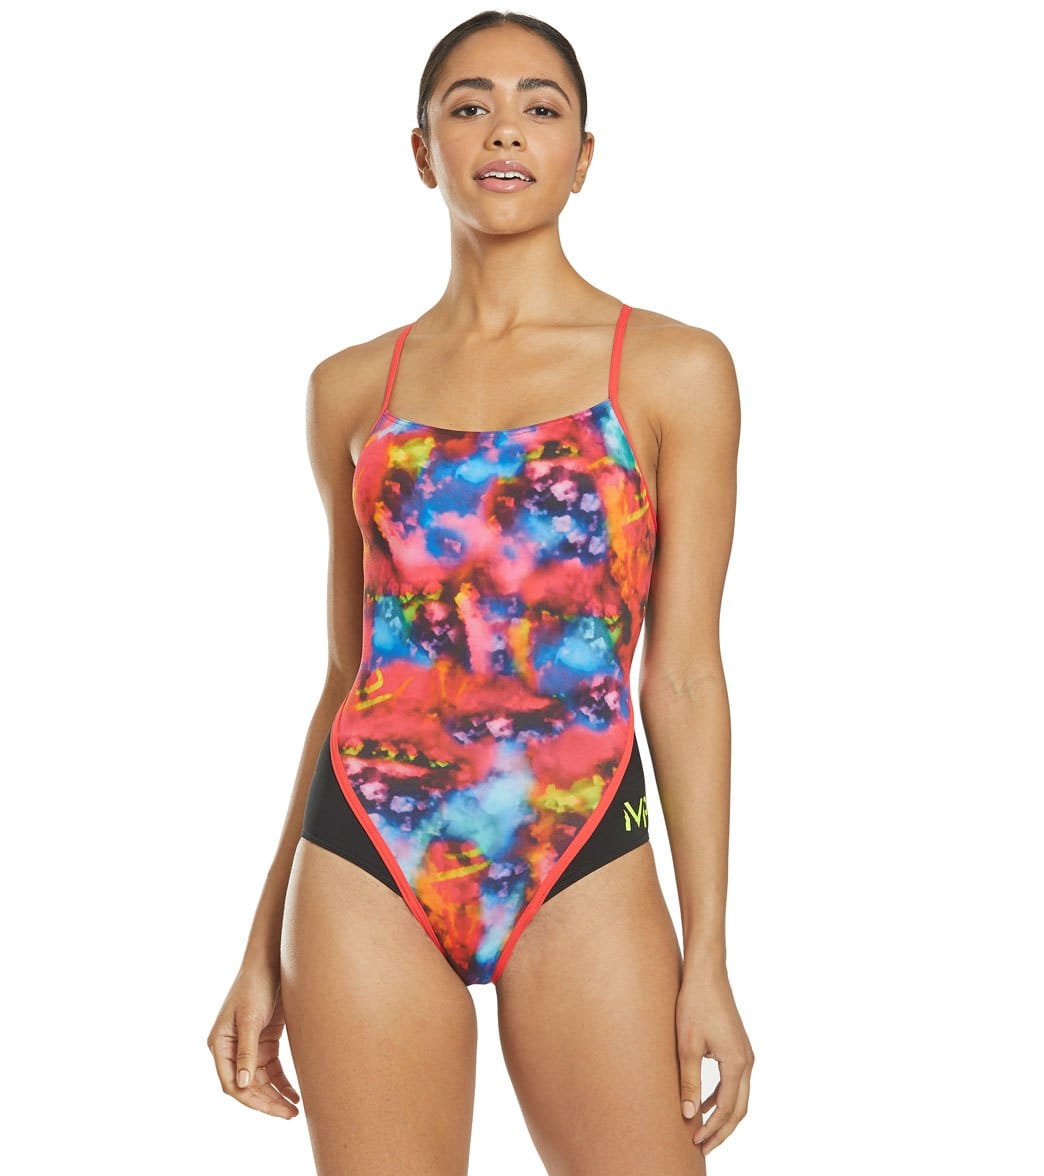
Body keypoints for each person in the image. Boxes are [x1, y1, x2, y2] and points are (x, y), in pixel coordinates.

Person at [207, 10, 753, 1172]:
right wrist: (261, 941)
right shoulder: (352, 388)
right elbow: (349, 675)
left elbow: (686, 679)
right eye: (470, 106)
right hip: (364, 856)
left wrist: (708, 955)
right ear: (423, 150)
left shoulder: (674, 371)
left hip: (581, 845)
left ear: (582, 156)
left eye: (539, 108)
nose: (505, 131)